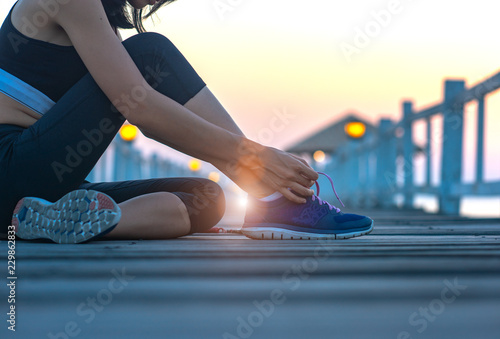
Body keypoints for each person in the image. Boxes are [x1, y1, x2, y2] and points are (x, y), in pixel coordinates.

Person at [0, 0, 373, 244]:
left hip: (30, 196)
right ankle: (269, 194)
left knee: (207, 197)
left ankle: (64, 222)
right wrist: (254, 156)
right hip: (10, 168)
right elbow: (141, 108)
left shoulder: (100, 24)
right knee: (151, 54)